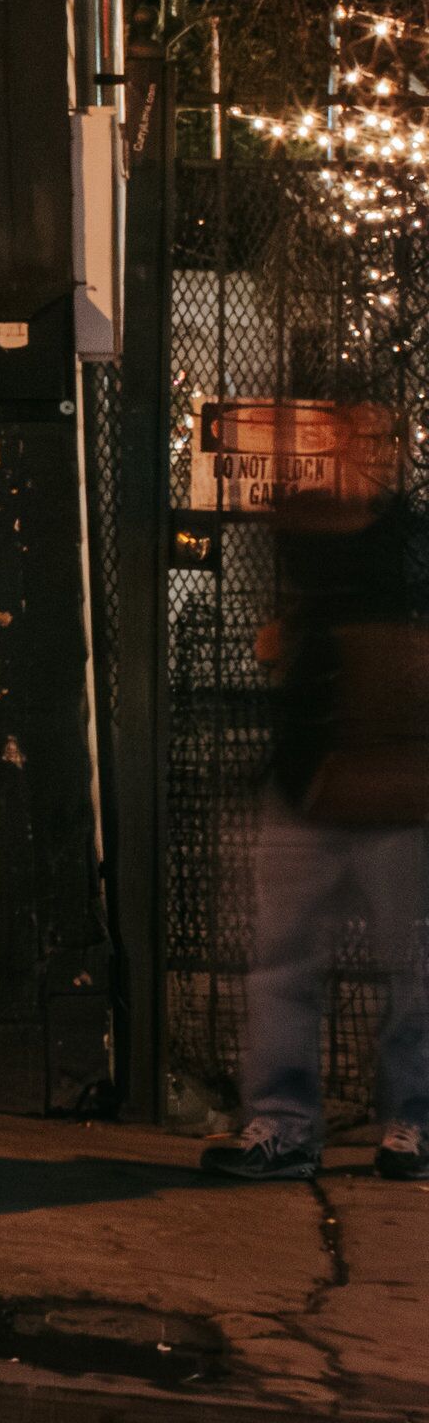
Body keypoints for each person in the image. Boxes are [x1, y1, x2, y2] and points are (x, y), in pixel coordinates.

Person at [204, 402, 429, 1183]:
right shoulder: (313, 525)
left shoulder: (408, 536)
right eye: (357, 434)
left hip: (395, 777)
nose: (372, 449)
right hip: (313, 772)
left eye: (383, 436)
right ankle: (286, 1126)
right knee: (283, 961)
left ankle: (411, 1122)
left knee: (414, 965)